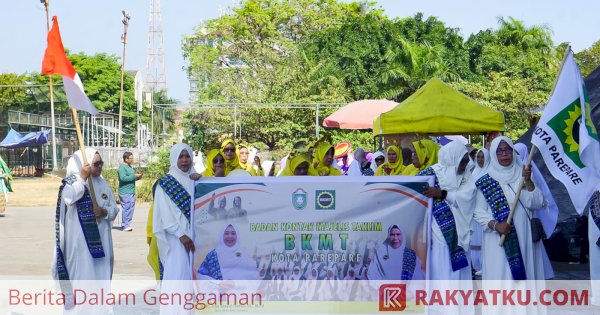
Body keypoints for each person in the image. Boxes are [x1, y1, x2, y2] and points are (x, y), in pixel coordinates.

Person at [52, 148, 119, 313]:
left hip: (102, 245)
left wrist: (104, 212)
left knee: (100, 287)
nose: (100, 167)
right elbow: (69, 198)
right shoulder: (72, 182)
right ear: (85, 165)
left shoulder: (103, 183)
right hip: (80, 250)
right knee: (81, 287)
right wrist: (82, 178)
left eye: (101, 163)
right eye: (96, 164)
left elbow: (114, 209)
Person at [473, 137, 546, 281]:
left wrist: (529, 182)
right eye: (499, 151)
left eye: (507, 149)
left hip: (524, 235)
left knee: (526, 273)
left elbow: (537, 203)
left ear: (513, 151)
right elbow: (478, 211)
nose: (504, 154)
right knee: (501, 276)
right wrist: (495, 225)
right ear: (494, 154)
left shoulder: (524, 173)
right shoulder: (485, 181)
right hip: (498, 238)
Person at [419, 141, 474, 315]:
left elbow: (468, 198)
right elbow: (412, 197)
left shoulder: (466, 176)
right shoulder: (429, 175)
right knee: (440, 275)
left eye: (466, 160)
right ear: (452, 159)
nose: (465, 165)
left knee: (459, 279)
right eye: (462, 161)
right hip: (436, 236)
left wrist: (442, 194)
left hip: (459, 236)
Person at [514, 143, 555, 280]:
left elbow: (536, 195)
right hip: (516, 217)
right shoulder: (513, 168)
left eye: (517, 152)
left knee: (533, 247)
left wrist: (527, 180)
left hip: (530, 214)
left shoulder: (528, 169)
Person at [118, 151, 142, 232]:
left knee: (131, 208)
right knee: (127, 208)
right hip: (125, 191)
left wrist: (138, 177)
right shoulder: (122, 168)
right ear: (126, 159)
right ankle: (125, 225)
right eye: (131, 158)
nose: (132, 160)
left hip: (131, 191)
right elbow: (123, 178)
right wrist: (134, 176)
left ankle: (127, 224)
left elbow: (131, 178)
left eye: (132, 158)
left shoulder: (129, 167)